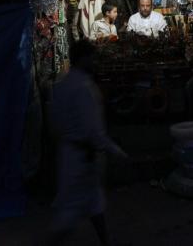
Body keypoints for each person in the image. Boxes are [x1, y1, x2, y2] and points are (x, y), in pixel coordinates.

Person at [45, 40, 128, 246]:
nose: (96, 62)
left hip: (70, 154)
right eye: (93, 58)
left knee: (93, 204)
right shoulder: (84, 88)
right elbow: (94, 132)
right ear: (83, 59)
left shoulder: (62, 84)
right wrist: (116, 152)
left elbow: (54, 123)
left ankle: (106, 241)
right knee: (71, 213)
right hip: (81, 157)